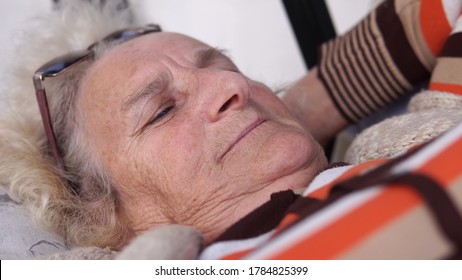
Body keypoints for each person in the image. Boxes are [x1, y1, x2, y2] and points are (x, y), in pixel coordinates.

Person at [0, 0, 461, 259]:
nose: (230, 84)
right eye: (161, 111)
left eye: (224, 65)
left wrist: (297, 107)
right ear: (100, 214)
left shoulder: (414, 132)